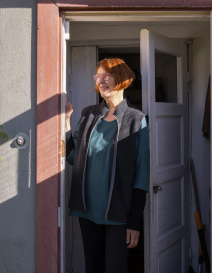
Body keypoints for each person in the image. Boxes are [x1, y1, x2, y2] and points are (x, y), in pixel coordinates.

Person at [65, 57, 150, 273]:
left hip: (118, 212)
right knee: (93, 267)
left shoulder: (136, 119)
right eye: (98, 76)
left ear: (121, 79)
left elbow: (141, 174)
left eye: (106, 76)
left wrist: (134, 222)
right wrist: (67, 123)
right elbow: (73, 157)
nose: (101, 81)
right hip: (87, 209)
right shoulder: (89, 114)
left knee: (115, 268)